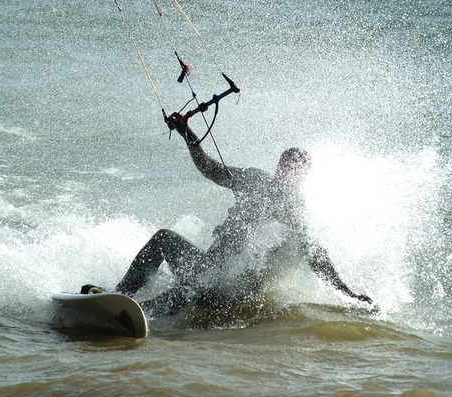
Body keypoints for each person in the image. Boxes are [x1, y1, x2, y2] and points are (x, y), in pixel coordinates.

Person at [116, 120, 372, 316]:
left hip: (228, 292)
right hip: (206, 270)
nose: (285, 173)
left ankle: (132, 313)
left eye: (293, 170)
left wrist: (348, 294)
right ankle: (116, 297)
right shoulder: (255, 181)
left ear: (303, 176)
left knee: (184, 293)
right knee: (164, 239)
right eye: (284, 166)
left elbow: (316, 256)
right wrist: (187, 133)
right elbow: (210, 169)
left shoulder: (294, 212)